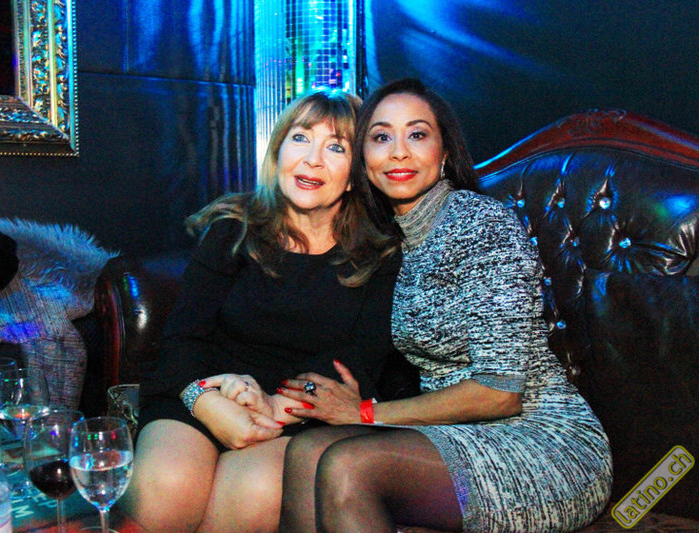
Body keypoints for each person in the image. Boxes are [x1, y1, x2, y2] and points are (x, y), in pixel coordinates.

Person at [275, 78, 613, 533]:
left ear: (445, 153)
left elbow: (500, 393)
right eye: (381, 138)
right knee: (306, 451)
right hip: (454, 439)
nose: (398, 152)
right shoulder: (394, 242)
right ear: (363, 162)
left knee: (347, 465)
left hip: (543, 445)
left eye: (417, 134)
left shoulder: (481, 224)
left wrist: (365, 413)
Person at [120, 88, 409, 532]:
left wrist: (274, 406)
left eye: (336, 147)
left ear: (355, 175)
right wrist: (208, 403)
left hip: (300, 414)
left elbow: (362, 358)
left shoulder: (382, 253)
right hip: (205, 391)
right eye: (301, 138)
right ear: (278, 151)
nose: (312, 159)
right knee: (167, 490)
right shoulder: (233, 229)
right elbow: (181, 338)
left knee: (250, 491)